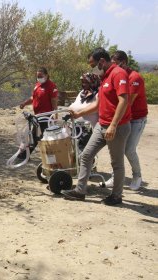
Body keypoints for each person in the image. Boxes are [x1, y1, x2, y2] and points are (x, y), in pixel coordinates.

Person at [62, 47, 131, 206]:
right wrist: (79, 114)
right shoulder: (105, 77)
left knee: (117, 163)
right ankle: (80, 191)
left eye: (93, 64)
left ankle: (116, 196)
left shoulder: (118, 73)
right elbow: (98, 104)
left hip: (117, 127)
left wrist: (113, 125)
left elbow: (124, 101)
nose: (93, 68)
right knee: (86, 155)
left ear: (102, 61)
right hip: (102, 125)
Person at [104, 50, 148, 190]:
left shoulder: (134, 78)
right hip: (123, 118)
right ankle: (115, 177)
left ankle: (137, 176)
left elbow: (127, 103)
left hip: (136, 119)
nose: (113, 66)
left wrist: (114, 121)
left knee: (129, 150)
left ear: (124, 62)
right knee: (117, 150)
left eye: (116, 63)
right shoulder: (115, 75)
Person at [19, 67, 58, 156]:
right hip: (37, 115)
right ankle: (29, 153)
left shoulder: (51, 86)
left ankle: (27, 154)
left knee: (39, 135)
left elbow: (54, 101)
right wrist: (24, 103)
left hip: (46, 116)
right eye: (38, 76)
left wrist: (55, 115)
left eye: (41, 75)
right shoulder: (37, 85)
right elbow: (34, 98)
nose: (39, 77)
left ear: (46, 75)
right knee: (37, 135)